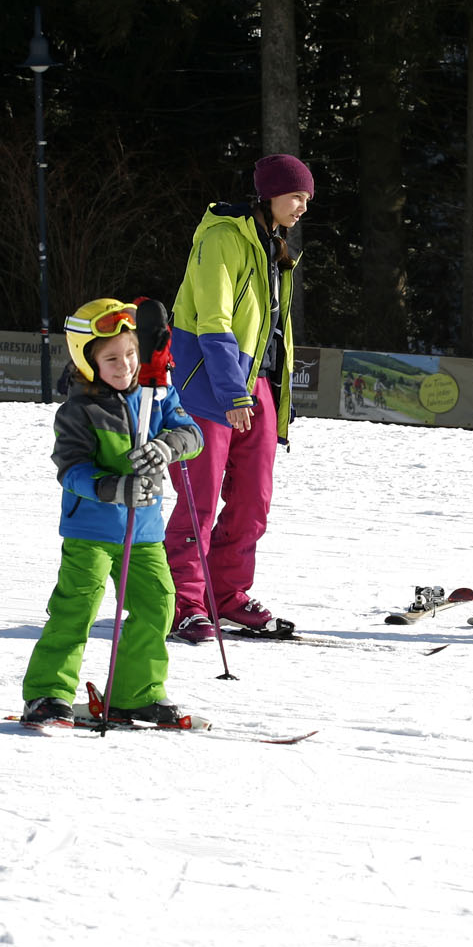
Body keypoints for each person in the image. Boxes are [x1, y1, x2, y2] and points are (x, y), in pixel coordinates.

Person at [20, 298, 205, 730]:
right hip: (91, 529)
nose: (125, 365)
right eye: (111, 358)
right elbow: (71, 471)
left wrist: (165, 447)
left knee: (159, 603)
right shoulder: (79, 410)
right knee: (76, 608)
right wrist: (113, 487)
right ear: (87, 363)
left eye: (131, 353)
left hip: (144, 531)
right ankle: (48, 692)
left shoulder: (157, 393)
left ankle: (135, 694)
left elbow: (191, 433)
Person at [164, 153, 312, 642]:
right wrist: (230, 391)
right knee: (199, 499)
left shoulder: (275, 245)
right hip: (208, 386)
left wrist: (259, 390)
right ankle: (183, 601)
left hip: (257, 384)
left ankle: (226, 594)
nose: (302, 207)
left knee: (253, 500)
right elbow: (214, 320)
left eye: (306, 199)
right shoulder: (222, 238)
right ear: (269, 192)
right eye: (296, 196)